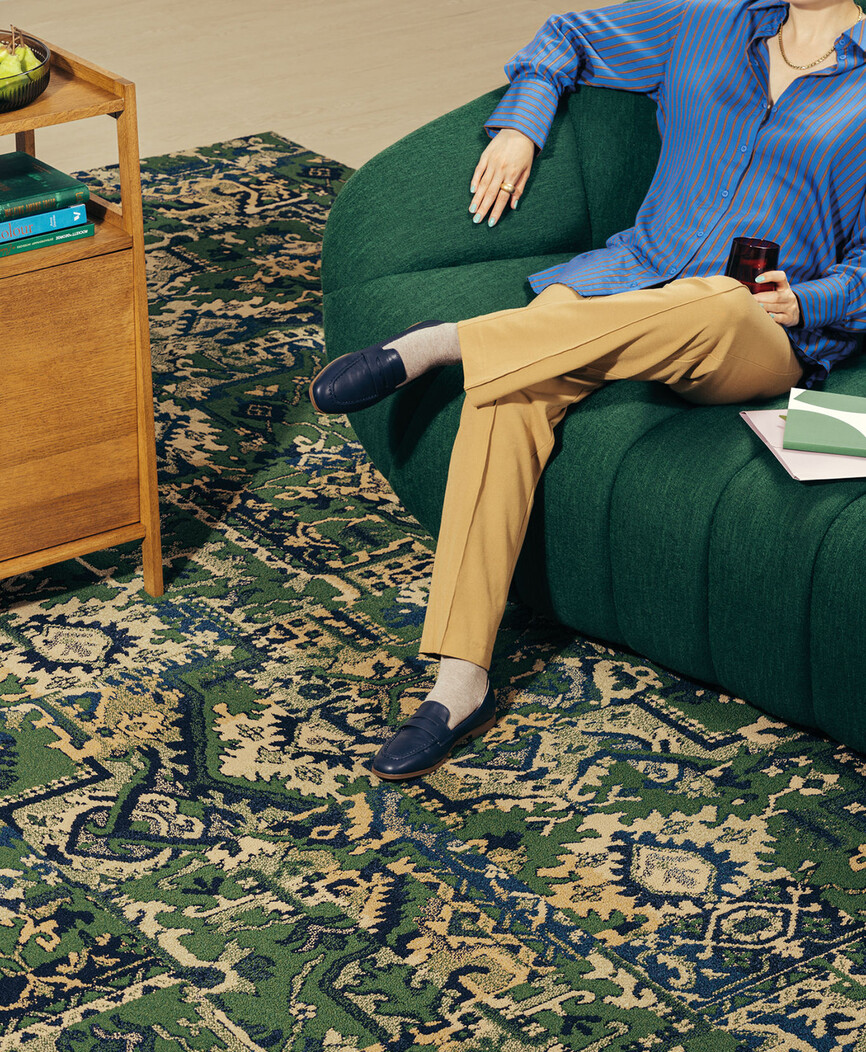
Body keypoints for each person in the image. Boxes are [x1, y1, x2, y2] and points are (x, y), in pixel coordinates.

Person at [311, 0, 866, 780]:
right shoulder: (704, 20)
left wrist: (806, 301)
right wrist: (521, 125)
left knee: (717, 299)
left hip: (754, 335)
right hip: (624, 280)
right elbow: (569, 35)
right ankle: (458, 683)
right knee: (509, 392)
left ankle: (445, 343)